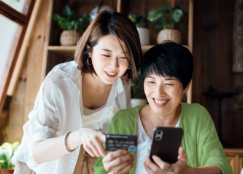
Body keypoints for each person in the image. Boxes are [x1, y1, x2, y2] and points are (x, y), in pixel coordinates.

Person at [11, 10, 142, 174]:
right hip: (40, 165)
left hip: (84, 160)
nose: (114, 66)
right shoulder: (60, 80)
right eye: (106, 55)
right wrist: (79, 136)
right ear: (90, 49)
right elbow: (36, 152)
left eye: (124, 57)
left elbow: (117, 132)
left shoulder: (121, 84)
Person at [94, 41, 233, 174]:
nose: (158, 93)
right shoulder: (123, 120)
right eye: (151, 82)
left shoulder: (197, 115)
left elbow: (222, 167)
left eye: (169, 84)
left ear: (187, 86)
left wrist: (188, 172)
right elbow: (101, 171)